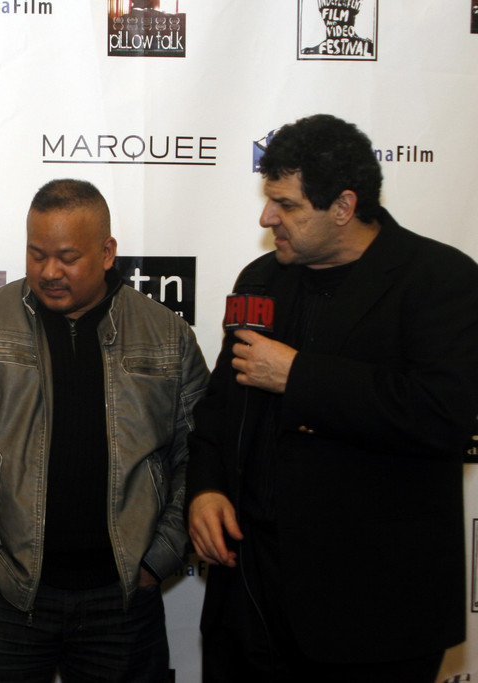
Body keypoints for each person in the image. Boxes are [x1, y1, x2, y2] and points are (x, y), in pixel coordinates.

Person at [186, 114, 478, 682]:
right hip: (248, 602)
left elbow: (444, 417)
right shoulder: (260, 280)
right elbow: (218, 411)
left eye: (287, 205)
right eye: (270, 200)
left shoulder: (441, 279)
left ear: (343, 206)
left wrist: (301, 377)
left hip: (372, 614)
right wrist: (206, 490)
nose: (267, 218)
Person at [0, 178, 209, 682]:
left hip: (122, 606)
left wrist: (158, 559)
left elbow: (200, 455)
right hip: (7, 600)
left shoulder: (167, 336)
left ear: (108, 251)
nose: (49, 272)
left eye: (68, 257)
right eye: (36, 254)